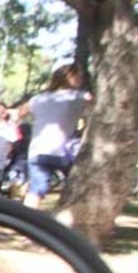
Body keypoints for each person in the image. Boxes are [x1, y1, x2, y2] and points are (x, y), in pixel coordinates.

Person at [17, 65, 91, 209]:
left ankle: (24, 221)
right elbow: (96, 107)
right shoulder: (80, 97)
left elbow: (19, 113)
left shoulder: (38, 99)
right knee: (78, 185)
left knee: (36, 190)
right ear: (71, 77)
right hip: (64, 152)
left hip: (38, 150)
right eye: (79, 76)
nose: (81, 79)